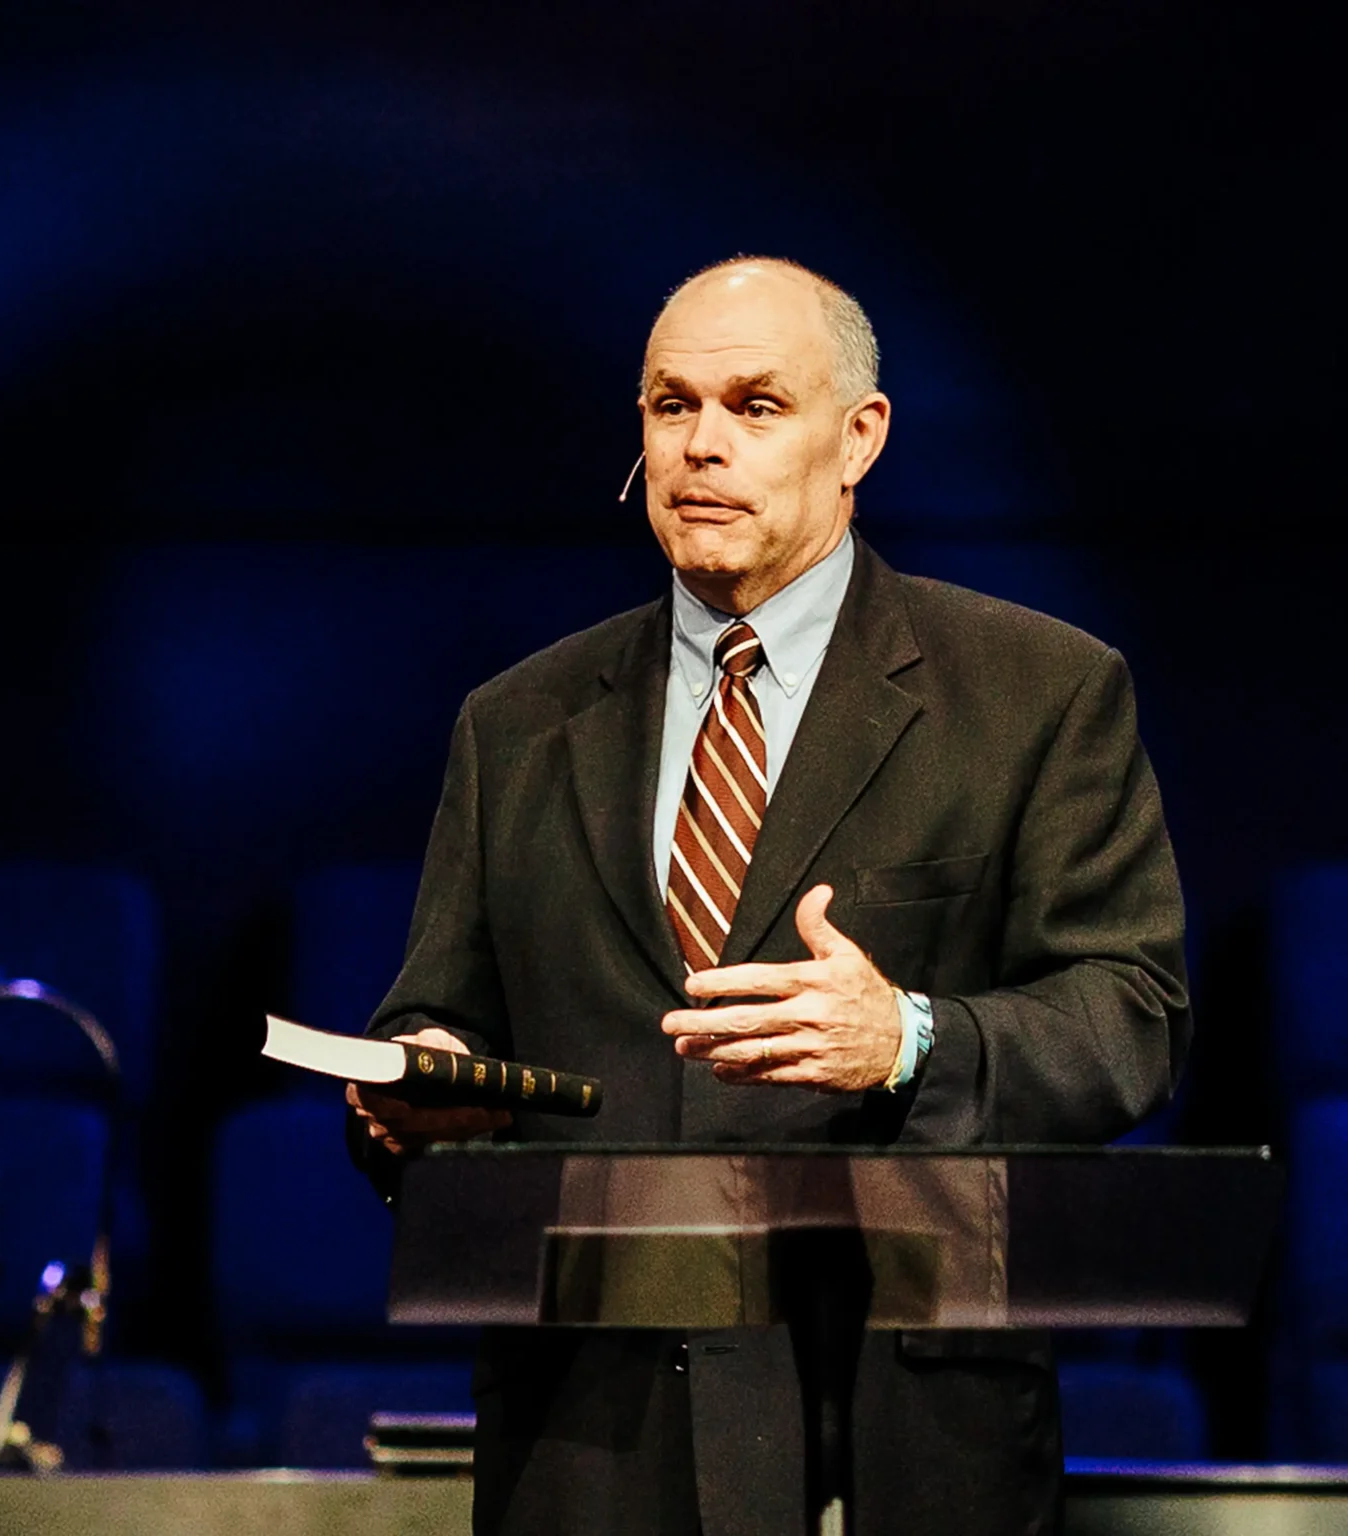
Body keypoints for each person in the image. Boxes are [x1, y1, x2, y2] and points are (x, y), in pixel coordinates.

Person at [346, 256, 1190, 1536]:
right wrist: (426, 1087)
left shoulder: (1037, 693)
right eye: (670, 405)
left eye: (753, 406)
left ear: (859, 438)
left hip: (892, 1427)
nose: (701, 447)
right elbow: (441, 1012)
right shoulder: (517, 723)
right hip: (588, 1442)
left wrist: (907, 1037)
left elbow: (1131, 1017)